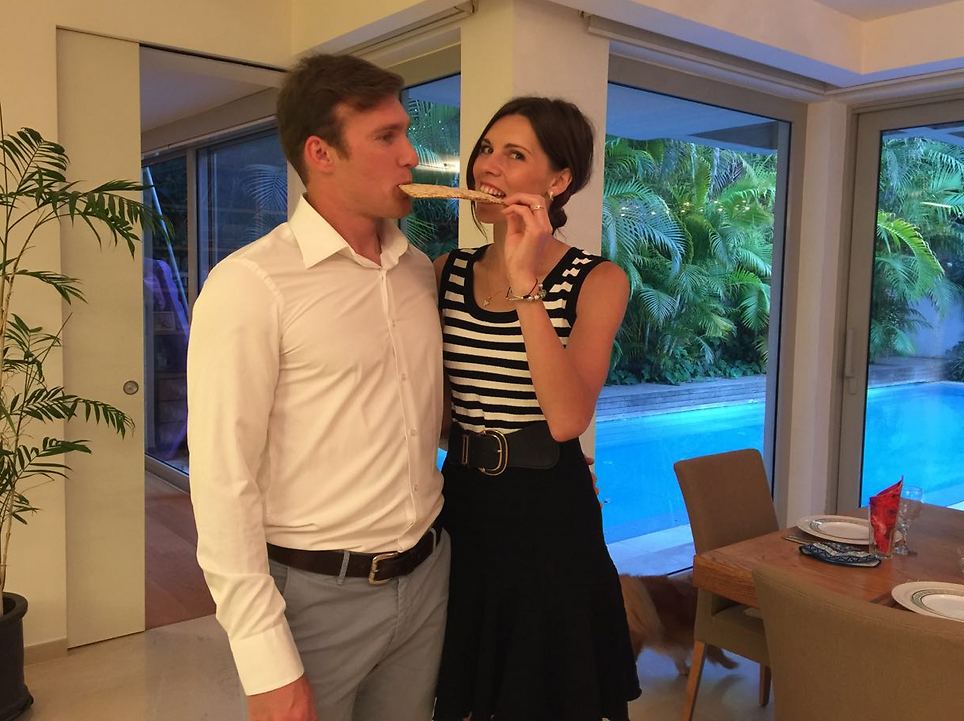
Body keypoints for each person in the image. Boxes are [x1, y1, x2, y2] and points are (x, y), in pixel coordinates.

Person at [186, 53, 448, 721]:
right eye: (386, 136)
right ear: (320, 153)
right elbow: (222, 481)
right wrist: (264, 658)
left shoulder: (417, 271)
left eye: (406, 132)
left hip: (427, 580)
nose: (411, 155)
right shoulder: (251, 285)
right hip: (312, 595)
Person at [432, 97, 641, 720]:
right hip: (461, 500)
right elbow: (435, 409)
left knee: (545, 692)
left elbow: (568, 419)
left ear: (558, 180)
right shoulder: (445, 272)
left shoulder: (597, 280)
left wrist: (526, 284)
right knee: (467, 686)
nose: (488, 166)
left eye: (515, 154)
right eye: (486, 149)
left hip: (549, 510)